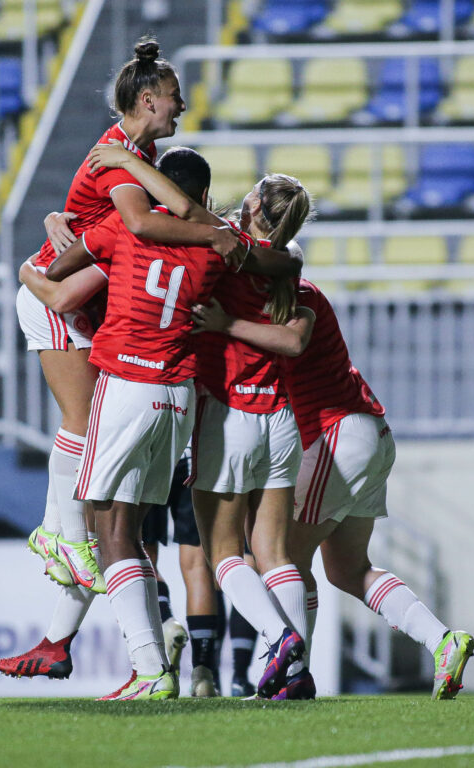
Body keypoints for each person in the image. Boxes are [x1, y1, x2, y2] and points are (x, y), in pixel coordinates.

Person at [0, 148, 300, 688]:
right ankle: (91, 644)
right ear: (205, 198)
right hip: (180, 398)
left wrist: (27, 269)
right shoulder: (221, 247)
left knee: (109, 528)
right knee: (143, 535)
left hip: (128, 385)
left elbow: (61, 291)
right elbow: (286, 263)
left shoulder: (124, 226)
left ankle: (147, 664)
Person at [0, 37, 244, 680]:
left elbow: (124, 217)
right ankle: (57, 535)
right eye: (173, 98)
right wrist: (214, 233)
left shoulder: (138, 154)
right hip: (62, 302)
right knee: (87, 451)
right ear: (146, 99)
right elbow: (139, 223)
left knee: (118, 521)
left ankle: (59, 639)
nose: (182, 105)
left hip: (92, 307)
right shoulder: (122, 161)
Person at [89, 142, 317, 700]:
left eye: (253, 194)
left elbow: (173, 218)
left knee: (221, 556)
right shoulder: (286, 261)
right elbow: (288, 310)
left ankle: (278, 637)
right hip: (282, 419)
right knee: (275, 553)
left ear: (255, 206)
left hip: (226, 411)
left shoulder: (218, 248)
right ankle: (296, 673)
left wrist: (124, 162)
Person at [190, 278, 474, 700]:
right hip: (369, 431)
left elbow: (289, 341)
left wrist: (224, 322)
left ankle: (292, 676)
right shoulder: (296, 291)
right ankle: (442, 642)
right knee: (347, 569)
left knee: (282, 555)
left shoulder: (291, 295)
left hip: (335, 431)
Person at [140, 446, 226, 698]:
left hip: (152, 452)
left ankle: (166, 622)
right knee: (198, 565)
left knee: (143, 560)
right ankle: (203, 673)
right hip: (193, 455)